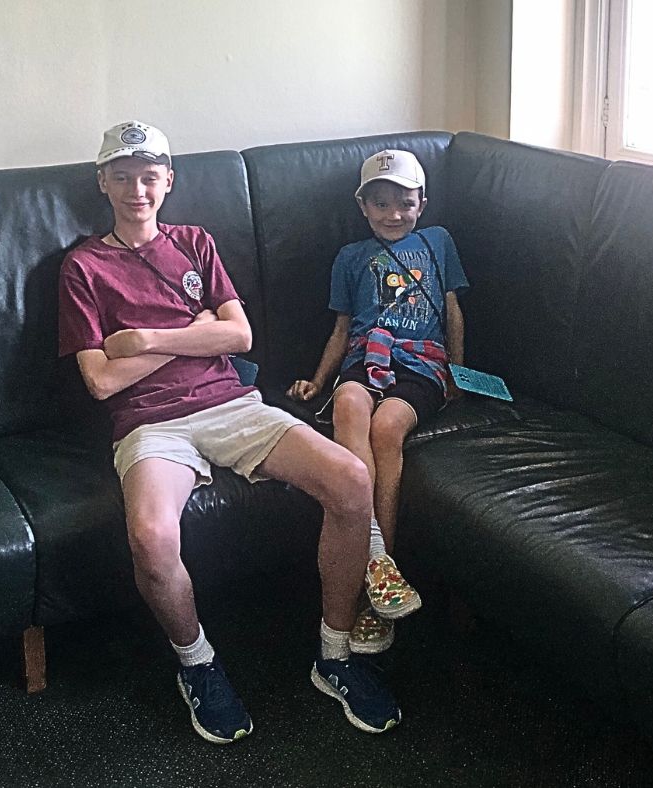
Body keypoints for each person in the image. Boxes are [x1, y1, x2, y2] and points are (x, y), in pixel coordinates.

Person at [58, 121, 402, 744]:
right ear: (103, 183)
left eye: (149, 176)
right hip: (149, 423)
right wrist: (195, 333)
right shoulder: (83, 266)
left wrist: (147, 338)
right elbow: (102, 382)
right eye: (123, 176)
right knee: (151, 535)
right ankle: (198, 665)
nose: (138, 189)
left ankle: (336, 654)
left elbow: (240, 338)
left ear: (168, 181)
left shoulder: (193, 242)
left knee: (351, 479)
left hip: (232, 404)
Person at [287, 149, 468, 654]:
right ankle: (375, 559)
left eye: (404, 203)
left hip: (422, 363)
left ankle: (374, 582)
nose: (394, 214)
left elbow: (453, 307)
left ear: (422, 203)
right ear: (362, 206)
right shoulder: (349, 257)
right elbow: (342, 328)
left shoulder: (439, 242)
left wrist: (456, 368)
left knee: (388, 427)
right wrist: (318, 380)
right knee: (349, 404)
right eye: (381, 203)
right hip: (366, 358)